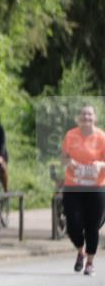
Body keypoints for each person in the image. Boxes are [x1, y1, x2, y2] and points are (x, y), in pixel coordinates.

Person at [60, 105, 105, 276]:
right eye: (84, 114)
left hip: (97, 186)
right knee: (73, 224)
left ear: (95, 117)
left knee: (92, 226)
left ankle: (90, 263)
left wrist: (100, 164)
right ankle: (81, 250)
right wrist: (70, 163)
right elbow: (63, 158)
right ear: (80, 118)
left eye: (90, 114)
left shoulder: (102, 137)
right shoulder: (71, 135)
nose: (86, 117)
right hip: (74, 185)